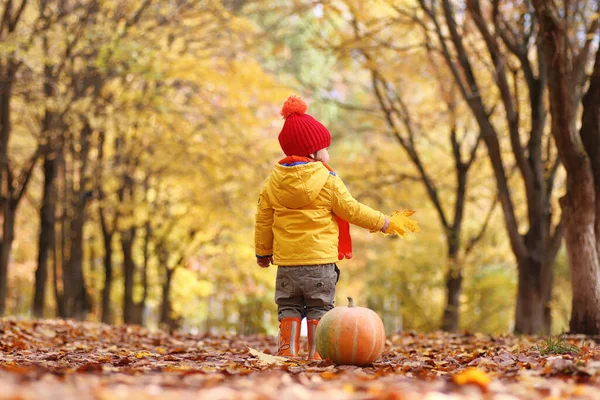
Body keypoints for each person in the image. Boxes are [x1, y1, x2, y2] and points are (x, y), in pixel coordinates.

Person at [254, 95, 395, 360]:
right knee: (320, 308)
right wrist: (383, 222)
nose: (328, 153)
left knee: (289, 306)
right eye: (325, 148)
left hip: (287, 263)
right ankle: (318, 354)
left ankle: (288, 351)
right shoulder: (328, 180)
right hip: (320, 263)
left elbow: (263, 219)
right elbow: (352, 210)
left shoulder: (273, 181)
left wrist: (263, 253)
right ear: (313, 152)